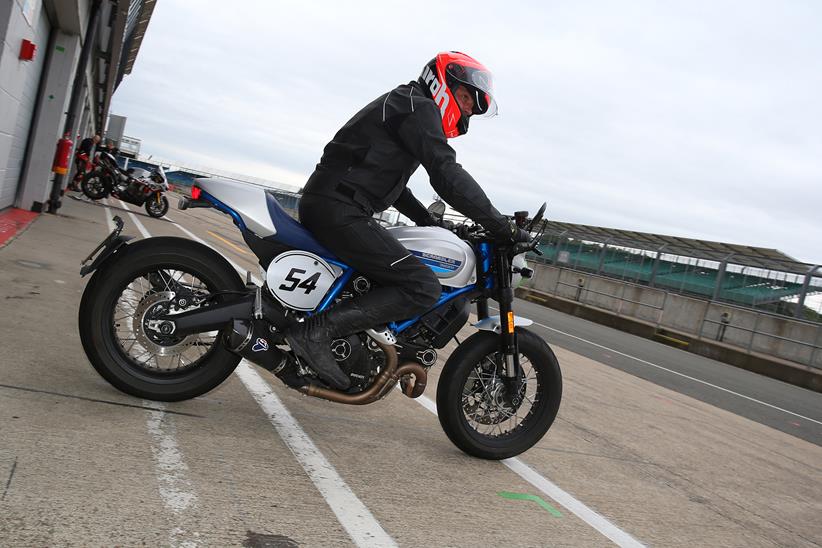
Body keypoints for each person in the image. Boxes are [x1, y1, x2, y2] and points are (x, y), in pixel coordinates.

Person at [285, 51, 530, 390]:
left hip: (336, 205)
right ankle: (316, 333)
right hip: (340, 209)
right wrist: (500, 226)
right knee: (421, 285)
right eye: (465, 98)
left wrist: (433, 224)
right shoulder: (418, 107)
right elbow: (446, 174)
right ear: (443, 82)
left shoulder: (408, 105)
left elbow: (395, 189)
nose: (468, 110)